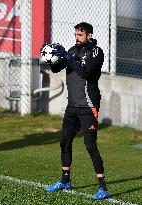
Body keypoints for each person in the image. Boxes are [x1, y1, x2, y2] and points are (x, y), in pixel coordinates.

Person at [43, 22, 111, 200]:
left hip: (88, 105)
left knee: (90, 145)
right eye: (75, 34)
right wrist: (51, 56)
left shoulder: (96, 52)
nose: (76, 37)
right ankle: (65, 180)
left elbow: (87, 72)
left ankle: (103, 188)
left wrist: (69, 57)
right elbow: (57, 68)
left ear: (89, 35)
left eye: (80, 35)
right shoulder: (72, 50)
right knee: (64, 142)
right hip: (72, 106)